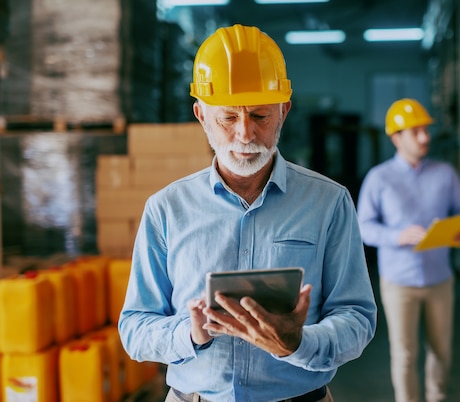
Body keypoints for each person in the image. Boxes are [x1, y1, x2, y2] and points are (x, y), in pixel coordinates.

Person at [118, 24, 377, 402]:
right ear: (201, 116)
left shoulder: (329, 203)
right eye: (228, 118)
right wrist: (191, 333)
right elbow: (134, 329)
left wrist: (298, 342)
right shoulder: (166, 209)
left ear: (284, 112)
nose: (245, 134)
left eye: (260, 116)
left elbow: (356, 317)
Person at [356, 98, 460, 402]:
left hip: (440, 279)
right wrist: (398, 236)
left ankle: (438, 397)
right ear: (396, 138)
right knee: (405, 355)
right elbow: (363, 228)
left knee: (441, 351)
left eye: (425, 130)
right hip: (399, 283)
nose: (425, 137)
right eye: (416, 131)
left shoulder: (445, 174)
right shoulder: (379, 178)